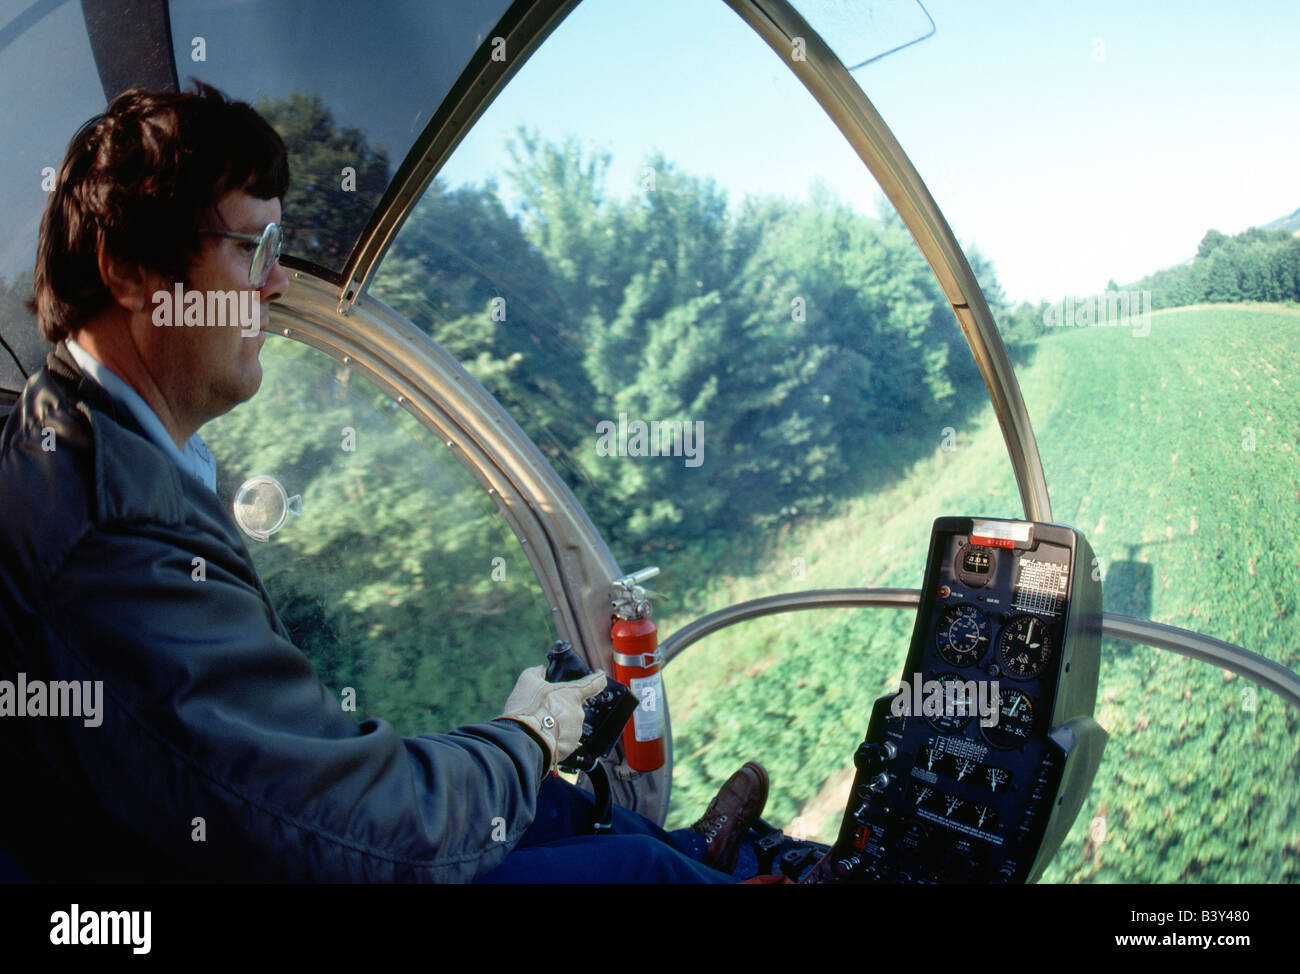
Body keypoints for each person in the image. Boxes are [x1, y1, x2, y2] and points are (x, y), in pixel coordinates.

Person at [0, 83, 771, 883]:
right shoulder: (105, 531)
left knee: (541, 806)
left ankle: (691, 855)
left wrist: (521, 743)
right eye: (251, 251)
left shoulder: (93, 451)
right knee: (625, 875)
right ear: (129, 270)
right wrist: (536, 732)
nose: (275, 286)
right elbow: (354, 831)